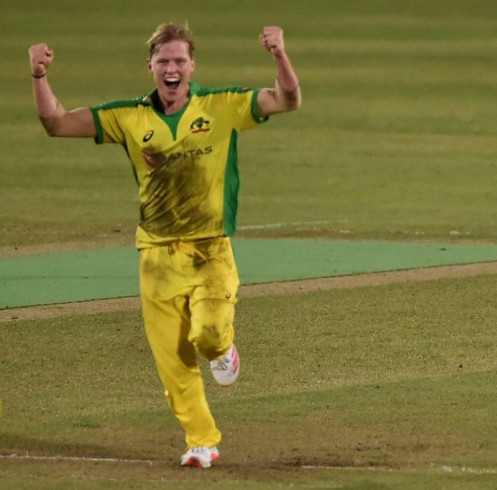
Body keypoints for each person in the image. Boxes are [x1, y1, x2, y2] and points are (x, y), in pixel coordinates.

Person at [28, 23, 301, 468]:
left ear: (191, 66)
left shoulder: (222, 106)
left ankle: (223, 348)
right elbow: (56, 123)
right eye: (163, 62)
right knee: (174, 362)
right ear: (150, 67)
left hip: (210, 248)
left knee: (208, 337)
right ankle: (202, 441)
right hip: (155, 256)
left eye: (179, 61)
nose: (171, 69)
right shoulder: (129, 116)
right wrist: (39, 77)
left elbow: (288, 99)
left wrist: (280, 55)